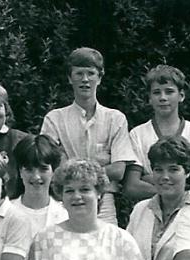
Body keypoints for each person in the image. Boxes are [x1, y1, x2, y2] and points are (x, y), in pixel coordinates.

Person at [40, 47, 134, 225]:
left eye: (90, 73)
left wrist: (71, 165)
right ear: (70, 78)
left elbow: (118, 170)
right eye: (79, 73)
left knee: (107, 241)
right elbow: (53, 168)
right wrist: (101, 163)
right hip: (66, 200)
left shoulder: (115, 118)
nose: (85, 79)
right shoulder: (54, 119)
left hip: (104, 200)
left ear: (100, 77)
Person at [123, 65, 190, 201]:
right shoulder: (138, 134)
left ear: (181, 95)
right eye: (156, 92)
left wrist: (149, 179)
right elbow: (132, 186)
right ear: (149, 98)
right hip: (151, 209)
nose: (163, 97)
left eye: (169, 92)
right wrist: (178, 183)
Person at [8, 135, 68, 237]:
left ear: (53, 171)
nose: (36, 176)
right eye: (29, 169)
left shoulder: (65, 214)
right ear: (20, 172)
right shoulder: (7, 212)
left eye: (43, 169)